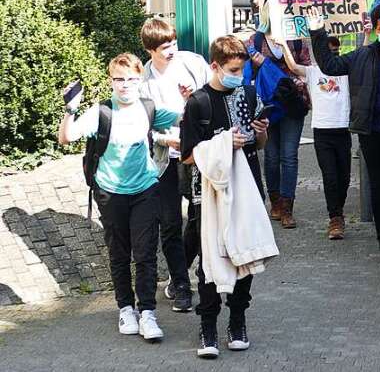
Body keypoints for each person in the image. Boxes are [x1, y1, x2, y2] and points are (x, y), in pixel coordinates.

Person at [58, 54, 180, 342]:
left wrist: (189, 99)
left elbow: (184, 116)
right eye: (119, 79)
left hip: (145, 189)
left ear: (140, 80)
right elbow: (66, 137)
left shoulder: (149, 108)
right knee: (119, 254)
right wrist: (69, 109)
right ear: (111, 80)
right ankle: (126, 308)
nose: (125, 85)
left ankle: (147, 312)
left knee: (146, 252)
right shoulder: (101, 112)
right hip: (110, 191)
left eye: (131, 79)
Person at [180, 36, 270, 358]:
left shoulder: (247, 94)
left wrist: (260, 132)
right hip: (208, 194)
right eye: (233, 70)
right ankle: (207, 326)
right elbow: (188, 155)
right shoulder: (198, 102)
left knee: (244, 254)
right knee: (210, 260)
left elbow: (258, 145)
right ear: (215, 66)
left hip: (247, 188)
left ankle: (238, 319)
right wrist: (221, 144)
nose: (239, 76)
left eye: (242, 70)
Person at [308, 3, 380, 266]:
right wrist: (317, 31)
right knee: (378, 187)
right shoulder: (362, 55)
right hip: (372, 132)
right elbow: (330, 65)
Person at [139, 18, 211, 313]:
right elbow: (141, 124)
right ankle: (182, 284)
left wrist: (193, 97)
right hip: (163, 159)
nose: (171, 51)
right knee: (169, 222)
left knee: (198, 217)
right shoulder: (143, 79)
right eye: (164, 48)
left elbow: (212, 99)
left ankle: (184, 273)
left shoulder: (192, 63)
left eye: (174, 44)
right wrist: (163, 139)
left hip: (195, 154)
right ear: (150, 50)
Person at [274, 34, 352, 240]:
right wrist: (283, 44)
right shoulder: (312, 71)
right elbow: (292, 65)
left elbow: (362, 54)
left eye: (336, 50)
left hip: (343, 129)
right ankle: (335, 217)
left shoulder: (345, 71)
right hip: (322, 131)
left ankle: (339, 210)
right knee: (330, 176)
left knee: (344, 177)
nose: (333, 54)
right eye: (329, 50)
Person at [247, 33, 309, 229]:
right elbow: (246, 70)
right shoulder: (255, 40)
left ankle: (287, 207)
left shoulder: (297, 38)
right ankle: (275, 201)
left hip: (292, 103)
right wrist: (257, 64)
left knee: (289, 156)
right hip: (267, 104)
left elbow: (306, 67)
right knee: (271, 156)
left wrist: (299, 80)